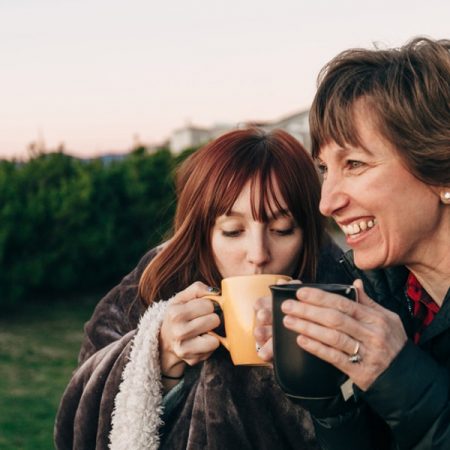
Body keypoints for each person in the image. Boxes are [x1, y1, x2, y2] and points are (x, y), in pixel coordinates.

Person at [54, 127, 352, 450]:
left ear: (307, 234)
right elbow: (75, 421)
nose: (258, 255)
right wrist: (160, 356)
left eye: (282, 230)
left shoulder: (339, 291)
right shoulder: (153, 283)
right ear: (203, 232)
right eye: (233, 231)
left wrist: (308, 373)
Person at [254, 37, 450, 449]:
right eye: (325, 169)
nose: (327, 203)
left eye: (355, 164)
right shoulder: (379, 294)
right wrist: (332, 400)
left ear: (440, 172)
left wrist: (398, 375)